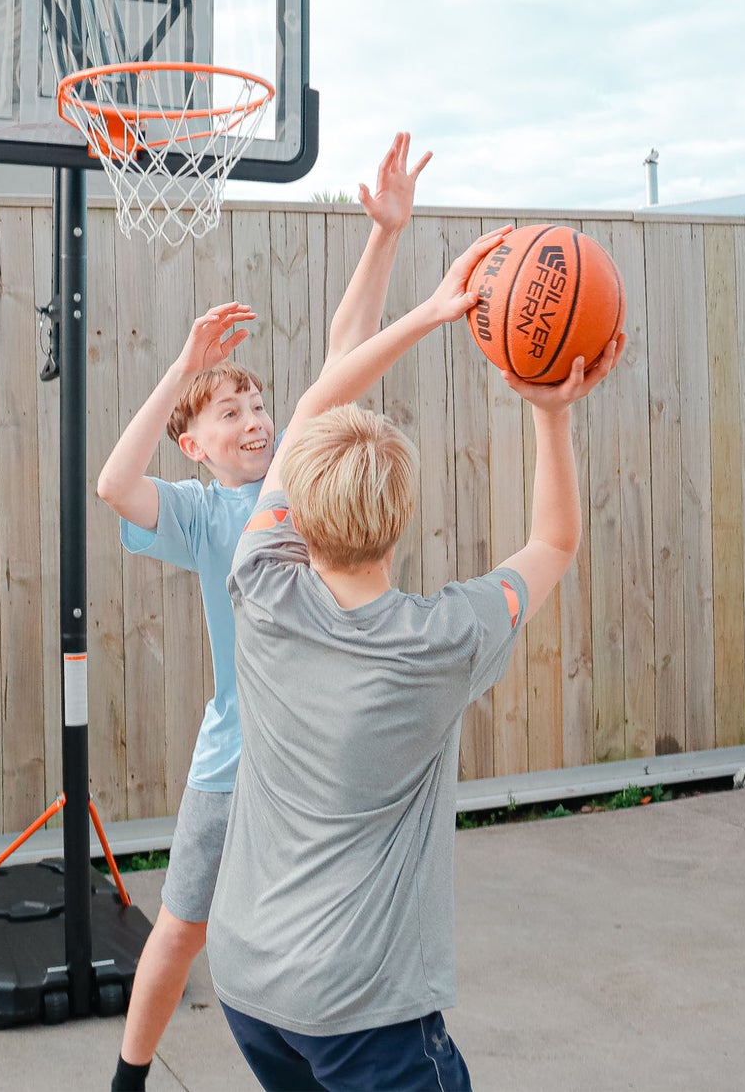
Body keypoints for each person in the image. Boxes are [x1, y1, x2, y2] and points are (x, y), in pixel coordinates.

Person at [206, 229, 624, 1091]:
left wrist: (432, 312)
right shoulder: (443, 642)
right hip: (363, 1012)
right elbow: (554, 538)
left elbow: (320, 399)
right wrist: (550, 410)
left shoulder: (258, 583)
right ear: (401, 516)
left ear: (296, 514)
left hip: (247, 980)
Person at [98, 136, 432, 1092]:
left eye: (256, 403)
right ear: (194, 445)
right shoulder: (204, 513)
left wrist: (382, 240)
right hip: (240, 751)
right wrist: (184, 365)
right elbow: (115, 484)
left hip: (323, 750)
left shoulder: (301, 481)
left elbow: (343, 357)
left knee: (326, 932)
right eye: (227, 412)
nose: (252, 420)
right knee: (185, 920)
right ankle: (128, 1076)